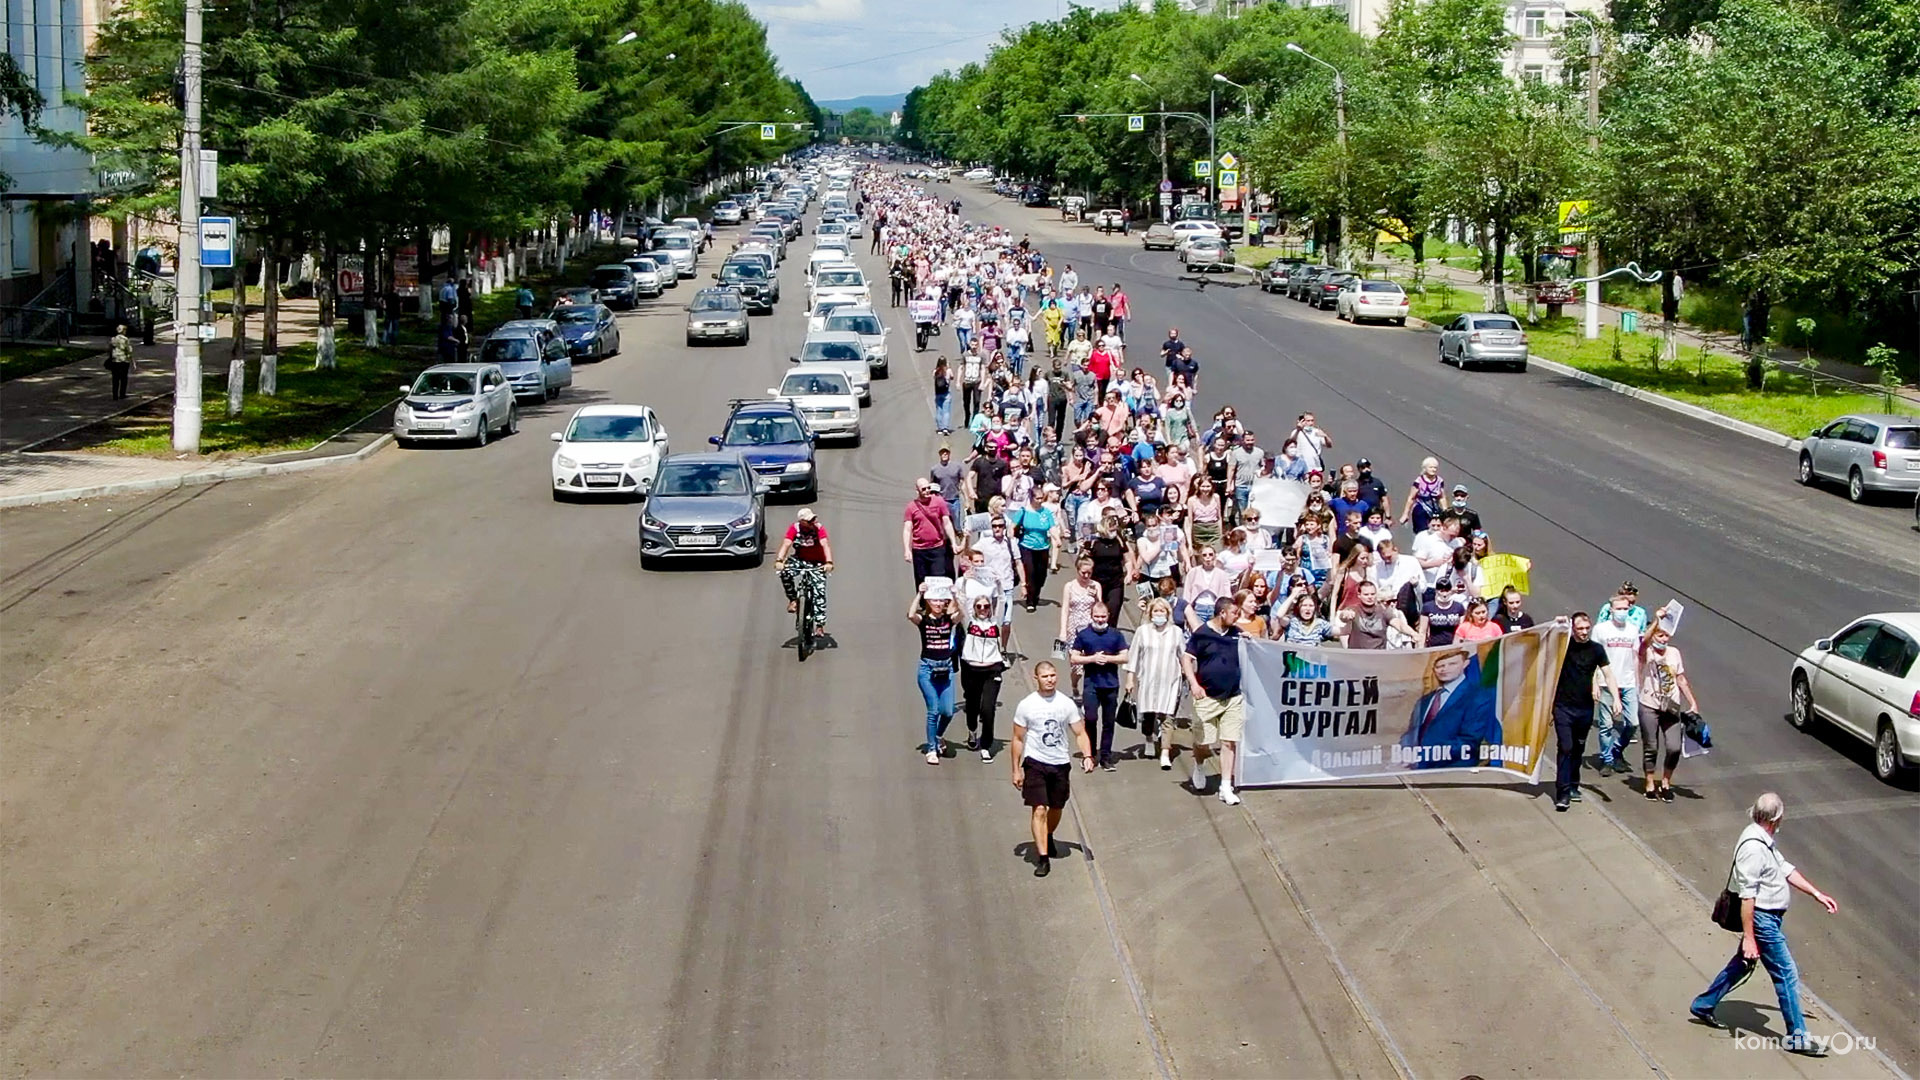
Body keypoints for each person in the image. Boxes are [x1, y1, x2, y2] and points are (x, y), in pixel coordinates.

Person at [1688, 793, 1839, 1055]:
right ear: (1777, 818)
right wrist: (1749, 937)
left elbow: (1785, 868)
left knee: (1742, 964)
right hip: (1761, 920)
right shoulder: (1753, 848)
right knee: (1786, 972)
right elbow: (1748, 897)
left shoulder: (1761, 839)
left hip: (1766, 919)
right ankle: (1798, 1037)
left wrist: (1816, 894)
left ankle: (1704, 1004)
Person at [1011, 660, 1094, 877]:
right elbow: (1018, 739)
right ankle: (1043, 857)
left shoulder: (1065, 704)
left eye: (1053, 676)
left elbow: (1080, 733)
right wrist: (1016, 769)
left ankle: (1047, 835)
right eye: (1045, 676)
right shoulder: (1027, 705)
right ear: (1035, 678)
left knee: (1056, 807)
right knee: (1039, 808)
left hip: (1059, 763)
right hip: (1035, 762)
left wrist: (1087, 755)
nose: (1050, 680)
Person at [1550, 612, 1620, 810]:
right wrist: (1558, 624)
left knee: (1578, 749)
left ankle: (1573, 783)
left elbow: (1608, 673)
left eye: (1586, 628)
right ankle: (1562, 792)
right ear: (1573, 629)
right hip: (1563, 706)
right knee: (1566, 747)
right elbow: (1548, 639)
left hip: (1585, 708)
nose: (1584, 632)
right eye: (1579, 629)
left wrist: (1616, 698)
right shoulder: (1564, 646)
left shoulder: (1596, 649)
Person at [1183, 594, 1245, 804]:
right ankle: (1199, 765)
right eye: (1235, 613)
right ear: (1222, 612)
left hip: (1233, 697)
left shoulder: (1237, 633)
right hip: (1207, 697)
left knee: (1229, 741)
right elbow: (1187, 658)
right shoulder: (1202, 634)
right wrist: (1193, 683)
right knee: (1203, 742)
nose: (1238, 617)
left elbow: (1251, 646)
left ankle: (1225, 786)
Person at [1401, 646, 1502, 769]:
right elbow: (1412, 732)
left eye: (1452, 664)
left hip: (1453, 770)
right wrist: (1404, 752)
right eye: (1440, 666)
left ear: (1466, 663)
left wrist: (1422, 756)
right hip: (1416, 767)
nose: (1445, 669)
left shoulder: (1477, 697)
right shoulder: (1425, 700)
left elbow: (1469, 741)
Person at [1639, 610, 1697, 802]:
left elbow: (1680, 678)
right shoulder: (1646, 652)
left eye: (1666, 635)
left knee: (1673, 747)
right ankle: (1649, 782)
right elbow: (1643, 641)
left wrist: (1692, 702)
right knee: (1651, 747)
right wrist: (1657, 620)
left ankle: (1665, 781)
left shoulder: (1674, 653)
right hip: (1650, 704)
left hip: (1671, 706)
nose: (1663, 639)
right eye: (1660, 635)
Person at [1127, 597, 1186, 770]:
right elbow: (1133, 656)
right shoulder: (1142, 631)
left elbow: (1183, 656)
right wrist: (1130, 678)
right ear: (1150, 613)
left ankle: (1166, 752)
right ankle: (1149, 739)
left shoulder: (1176, 632)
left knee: (1168, 716)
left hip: (1171, 680)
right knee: (1149, 713)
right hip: (1148, 679)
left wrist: (1188, 675)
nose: (1159, 614)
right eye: (1156, 611)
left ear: (1168, 614)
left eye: (1162, 611)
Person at [1070, 603, 1130, 771]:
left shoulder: (1116, 635)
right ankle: (1089, 754)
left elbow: (1125, 657)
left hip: (1111, 685)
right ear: (1091, 615)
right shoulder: (1084, 635)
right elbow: (1074, 657)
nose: (1100, 619)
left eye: (1103, 616)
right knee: (1090, 718)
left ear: (1108, 616)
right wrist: (1092, 659)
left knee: (1108, 723)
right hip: (1091, 685)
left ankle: (1106, 757)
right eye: (1096, 616)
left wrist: (1108, 659)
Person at [1590, 595, 1645, 775]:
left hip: (1628, 682)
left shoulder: (1632, 630)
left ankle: (1617, 749)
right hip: (1606, 682)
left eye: (1625, 609)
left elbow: (1636, 657)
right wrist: (1595, 683)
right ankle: (1607, 759)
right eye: (1618, 609)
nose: (1622, 612)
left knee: (1633, 723)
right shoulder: (1600, 630)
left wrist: (1638, 683)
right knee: (1606, 724)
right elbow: (1593, 658)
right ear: (1611, 610)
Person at [908, 580, 960, 765]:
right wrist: (920, 594)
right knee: (934, 709)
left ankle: (938, 735)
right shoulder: (924, 621)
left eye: (941, 601)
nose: (938, 604)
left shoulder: (948, 620)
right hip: (927, 670)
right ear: (929, 602)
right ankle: (931, 749)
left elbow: (960, 614)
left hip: (946, 669)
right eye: (935, 601)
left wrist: (954, 594)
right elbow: (911, 614)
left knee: (947, 711)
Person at [959, 592, 1008, 762]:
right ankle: (972, 731)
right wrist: (963, 583)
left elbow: (1002, 599)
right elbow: (961, 600)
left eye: (986, 606)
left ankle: (986, 745)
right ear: (974, 608)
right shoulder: (969, 623)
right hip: (971, 669)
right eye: (979, 606)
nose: (982, 609)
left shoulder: (995, 623)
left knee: (988, 709)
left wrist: (999, 584)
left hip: (992, 669)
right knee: (972, 706)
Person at [772, 508, 834, 636]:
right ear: (802, 522)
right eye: (809, 520)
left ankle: (820, 625)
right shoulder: (795, 528)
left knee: (819, 591)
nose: (813, 522)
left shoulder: (819, 528)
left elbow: (825, 545)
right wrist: (779, 560)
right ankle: (793, 599)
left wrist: (829, 562)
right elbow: (786, 544)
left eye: (813, 519)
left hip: (817, 563)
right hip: (800, 560)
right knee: (785, 572)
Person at [902, 478, 960, 585]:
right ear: (917, 491)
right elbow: (907, 529)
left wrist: (953, 543)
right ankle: (923, 602)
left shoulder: (939, 502)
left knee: (938, 580)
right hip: (919, 550)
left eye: (928, 488)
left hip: (937, 548)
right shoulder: (911, 507)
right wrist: (907, 550)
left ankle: (939, 602)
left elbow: (946, 522)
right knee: (922, 582)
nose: (927, 491)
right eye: (923, 489)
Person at [1335, 581, 1415, 649]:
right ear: (1359, 595)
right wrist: (1345, 615)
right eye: (1366, 595)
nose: (1370, 597)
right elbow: (1343, 617)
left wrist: (1413, 633)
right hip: (1357, 656)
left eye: (1372, 594)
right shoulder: (1353, 609)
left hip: (1378, 656)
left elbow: (1399, 625)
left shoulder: (1383, 611)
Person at [1401, 457, 1448, 534]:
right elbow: (1411, 498)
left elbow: (1442, 497)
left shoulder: (1440, 481)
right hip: (1421, 509)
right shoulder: (1419, 481)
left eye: (1435, 467)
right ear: (1425, 468)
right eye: (1431, 467)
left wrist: (1446, 511)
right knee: (1422, 532)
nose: (1433, 469)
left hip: (1435, 509)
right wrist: (1405, 514)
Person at [929, 446, 966, 524]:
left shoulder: (957, 467)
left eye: (946, 452)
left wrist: (966, 500)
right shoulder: (934, 469)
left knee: (957, 525)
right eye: (942, 452)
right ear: (939, 454)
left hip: (955, 500)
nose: (944, 454)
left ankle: (957, 534)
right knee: (942, 524)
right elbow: (932, 486)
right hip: (941, 500)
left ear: (949, 454)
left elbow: (963, 482)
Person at [105, 325, 135, 400]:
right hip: (123, 360)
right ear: (123, 331)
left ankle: (115, 395)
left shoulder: (113, 339)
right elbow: (129, 350)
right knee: (123, 378)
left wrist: (111, 356)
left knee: (115, 379)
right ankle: (122, 394)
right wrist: (132, 360)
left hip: (115, 361)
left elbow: (109, 349)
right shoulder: (125, 339)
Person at [932, 357, 953, 435]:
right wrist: (949, 367)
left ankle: (940, 428)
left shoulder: (935, 371)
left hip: (938, 393)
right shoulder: (948, 371)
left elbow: (934, 378)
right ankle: (945, 428)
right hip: (946, 393)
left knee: (939, 410)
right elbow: (952, 377)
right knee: (946, 411)